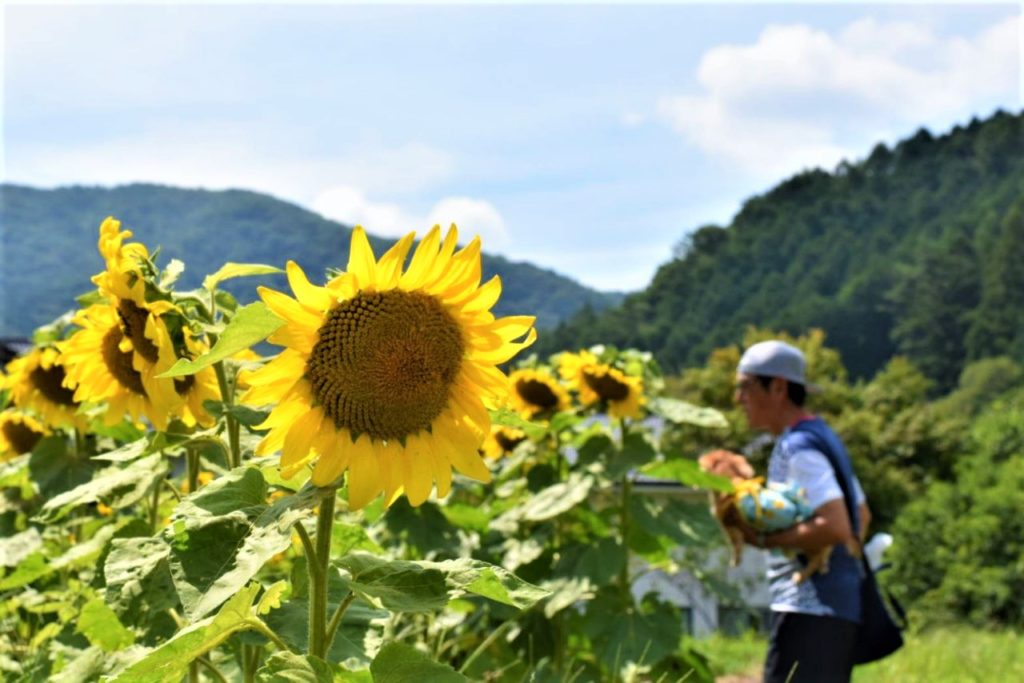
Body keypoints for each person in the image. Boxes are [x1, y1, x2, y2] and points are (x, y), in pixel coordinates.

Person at [733, 340, 871, 683]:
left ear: (778, 387)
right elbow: (861, 514)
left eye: (745, 386)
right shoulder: (821, 436)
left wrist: (766, 540)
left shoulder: (796, 447)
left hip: (808, 611)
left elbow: (837, 525)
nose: (738, 399)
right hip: (837, 611)